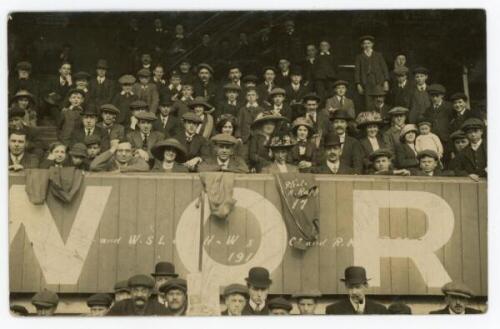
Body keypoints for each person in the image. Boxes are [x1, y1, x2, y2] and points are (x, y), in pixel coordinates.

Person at [354, 35, 390, 109]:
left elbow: (384, 68)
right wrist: (358, 84)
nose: (367, 45)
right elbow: (357, 71)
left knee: (379, 100)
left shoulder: (378, 55)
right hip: (366, 83)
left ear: (372, 44)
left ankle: (380, 117)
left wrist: (386, 81)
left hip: (378, 81)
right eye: (365, 43)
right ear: (362, 45)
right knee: (368, 102)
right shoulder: (359, 57)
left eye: (368, 43)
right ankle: (371, 118)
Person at [326, 110, 363, 174]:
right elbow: (320, 160)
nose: (339, 125)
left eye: (342, 122)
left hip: (348, 176)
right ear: (332, 124)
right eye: (336, 122)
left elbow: (358, 164)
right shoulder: (325, 140)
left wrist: (356, 174)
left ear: (346, 124)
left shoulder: (354, 142)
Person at [422, 84, 453, 150]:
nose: (434, 98)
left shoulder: (449, 107)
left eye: (437, 96)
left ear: (442, 95)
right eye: (432, 96)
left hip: (447, 139)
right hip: (434, 140)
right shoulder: (428, 110)